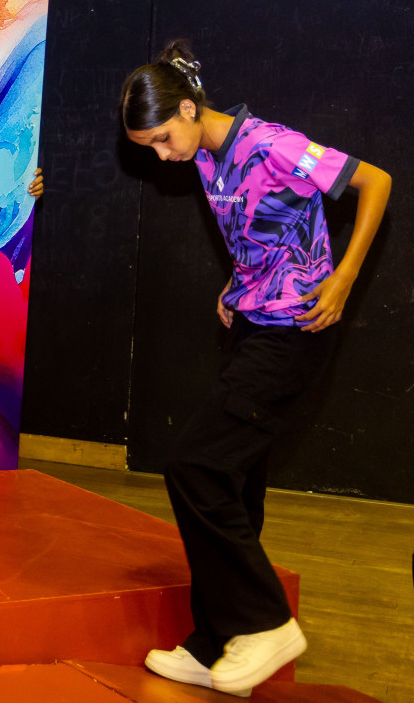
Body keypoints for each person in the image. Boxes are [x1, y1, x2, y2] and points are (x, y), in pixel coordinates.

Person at [121, 40, 390, 696]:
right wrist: (237, 284)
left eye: (161, 138)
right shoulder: (209, 156)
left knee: (196, 467)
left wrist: (346, 278)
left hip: (293, 331)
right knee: (236, 482)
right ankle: (219, 640)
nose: (162, 156)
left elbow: (373, 180)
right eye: (149, 148)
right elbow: (262, 231)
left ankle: (267, 623)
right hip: (251, 321)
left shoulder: (271, 143)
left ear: (189, 109)